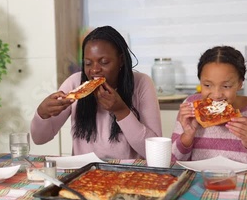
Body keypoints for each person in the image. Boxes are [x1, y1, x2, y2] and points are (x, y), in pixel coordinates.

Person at [30, 26, 162, 160]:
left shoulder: (142, 83)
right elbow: (39, 139)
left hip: (128, 174)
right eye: (88, 63)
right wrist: (42, 113)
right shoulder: (75, 83)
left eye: (104, 62)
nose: (94, 70)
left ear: (121, 60)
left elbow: (155, 153)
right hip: (84, 172)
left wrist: (121, 111)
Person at [172, 46, 247, 167]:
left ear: (240, 84)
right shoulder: (190, 107)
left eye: (226, 86)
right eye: (207, 85)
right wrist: (187, 136)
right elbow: (171, 164)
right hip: (200, 184)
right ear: (200, 82)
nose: (217, 95)